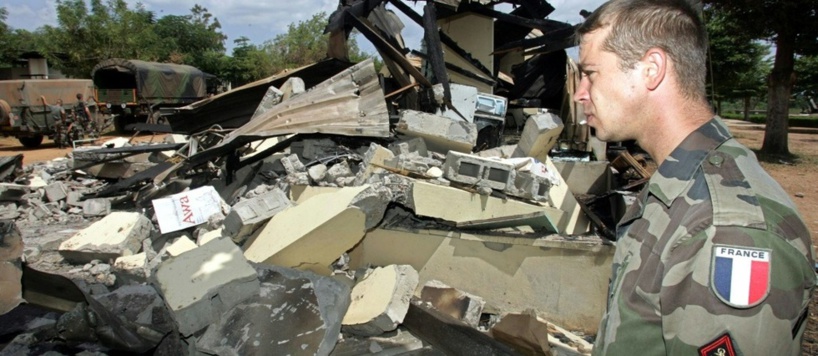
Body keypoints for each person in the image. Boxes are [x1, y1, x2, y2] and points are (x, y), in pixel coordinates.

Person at [573, 0, 815, 355]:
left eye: (590, 73)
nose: (580, 93)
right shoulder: (680, 186)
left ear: (651, 69)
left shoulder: (726, 229)